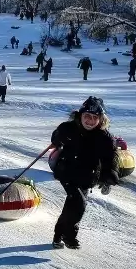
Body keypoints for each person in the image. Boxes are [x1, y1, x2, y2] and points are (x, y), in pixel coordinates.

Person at [50, 97, 119, 249]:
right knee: (78, 202)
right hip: (67, 171)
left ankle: (58, 236)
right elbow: (56, 137)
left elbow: (111, 158)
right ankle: (69, 236)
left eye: (94, 118)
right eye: (87, 116)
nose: (90, 121)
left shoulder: (104, 138)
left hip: (88, 175)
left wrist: (109, 175)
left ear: (101, 120)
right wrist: (59, 137)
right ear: (80, 115)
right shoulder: (68, 128)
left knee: (72, 205)